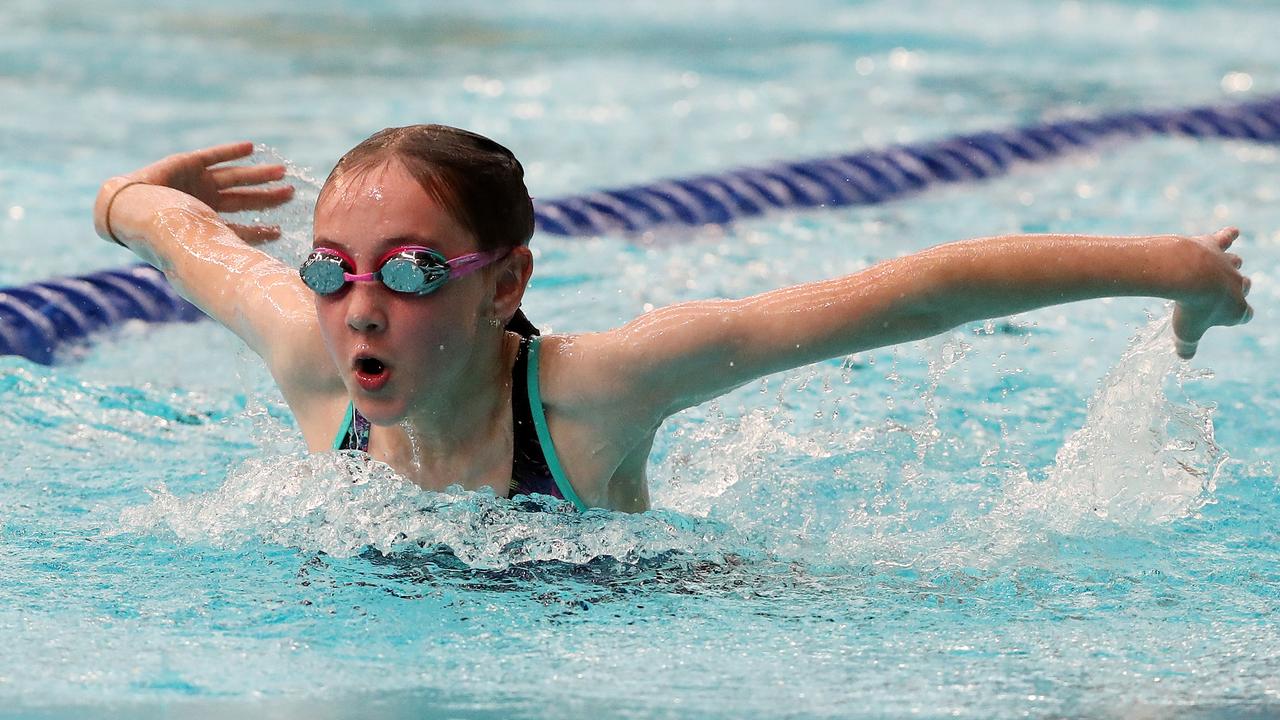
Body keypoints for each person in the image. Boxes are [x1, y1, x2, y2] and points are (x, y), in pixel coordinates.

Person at [92, 125, 1254, 513]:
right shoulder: (312, 357)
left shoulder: (593, 397)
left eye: (407, 272)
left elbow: (913, 292)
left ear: (504, 285)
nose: (359, 308)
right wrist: (125, 199)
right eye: (331, 270)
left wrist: (1169, 266)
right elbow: (168, 231)